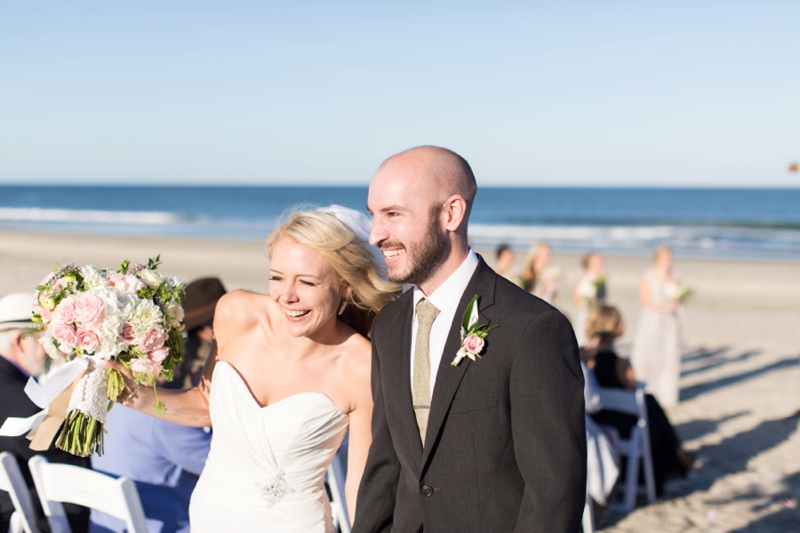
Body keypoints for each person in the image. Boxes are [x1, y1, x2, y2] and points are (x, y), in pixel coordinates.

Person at [112, 206, 398, 532]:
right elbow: (205, 405)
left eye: (306, 282)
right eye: (276, 277)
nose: (286, 296)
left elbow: (361, 489)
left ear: (346, 285)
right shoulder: (235, 313)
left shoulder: (362, 367)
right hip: (209, 518)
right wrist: (132, 394)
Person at [354, 146, 586, 532]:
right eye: (373, 215)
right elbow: (386, 465)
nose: (376, 234)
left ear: (451, 213)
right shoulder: (389, 326)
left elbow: (553, 492)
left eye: (393, 214)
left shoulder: (533, 328)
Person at [88, 278, 223, 533]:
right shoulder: (157, 414)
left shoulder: (106, 401)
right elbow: (220, 465)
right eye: (170, 349)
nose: (178, 359)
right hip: (167, 524)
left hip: (109, 524)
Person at [0, 292, 91, 533]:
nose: (57, 352)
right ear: (21, 341)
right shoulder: (30, 408)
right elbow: (76, 479)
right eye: (49, 341)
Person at [583, 305, 695, 497]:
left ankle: (680, 455)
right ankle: (678, 456)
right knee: (649, 403)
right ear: (615, 328)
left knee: (650, 404)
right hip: (621, 427)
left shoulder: (586, 361)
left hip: (598, 422)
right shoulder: (622, 364)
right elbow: (633, 395)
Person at [629, 245, 683, 407]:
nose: (669, 258)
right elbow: (644, 300)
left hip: (670, 321)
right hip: (652, 319)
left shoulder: (676, 276)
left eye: (670, 255)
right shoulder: (648, 275)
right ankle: (644, 388)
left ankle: (666, 394)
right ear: (658, 257)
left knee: (668, 353)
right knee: (648, 351)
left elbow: (678, 296)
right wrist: (665, 308)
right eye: (666, 255)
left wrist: (676, 303)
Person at [573, 252, 608, 347]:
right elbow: (578, 302)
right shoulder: (581, 279)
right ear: (589, 264)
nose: (601, 265)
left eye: (601, 262)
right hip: (586, 317)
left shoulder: (602, 280)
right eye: (598, 262)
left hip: (600, 317)